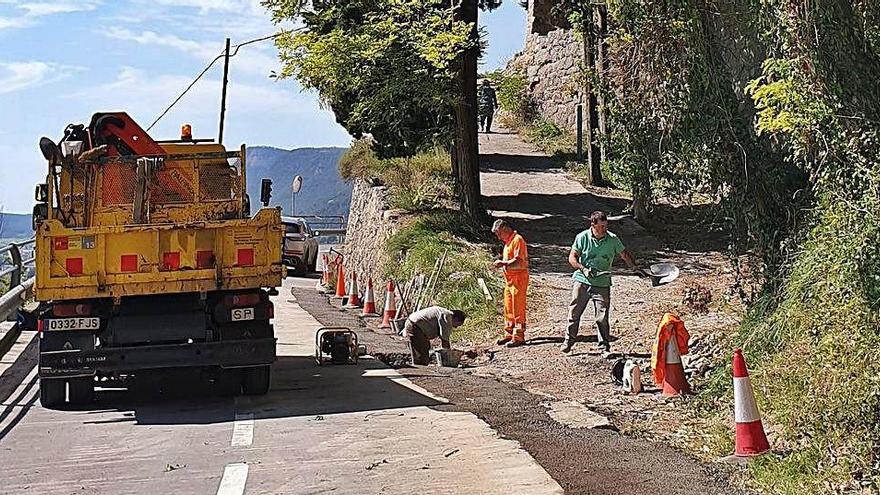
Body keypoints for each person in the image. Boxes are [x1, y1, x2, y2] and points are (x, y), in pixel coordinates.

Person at [562, 211, 642, 354]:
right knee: (574, 312)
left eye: (606, 226)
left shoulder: (612, 239)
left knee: (602, 317)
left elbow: (624, 255)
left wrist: (634, 268)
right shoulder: (582, 238)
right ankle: (569, 340)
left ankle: (604, 346)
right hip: (583, 281)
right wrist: (583, 269)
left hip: (602, 283)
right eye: (602, 226)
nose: (605, 229)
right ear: (593, 225)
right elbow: (572, 258)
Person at [492, 219, 529, 347]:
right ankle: (509, 333)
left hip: (518, 280)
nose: (498, 237)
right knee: (508, 308)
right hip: (509, 281)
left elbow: (519, 262)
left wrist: (504, 263)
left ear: (505, 229)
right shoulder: (508, 242)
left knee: (518, 308)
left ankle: (519, 336)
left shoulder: (517, 240)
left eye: (498, 233)